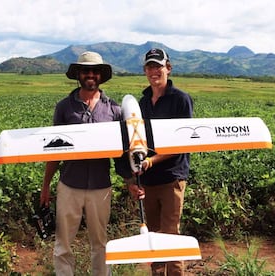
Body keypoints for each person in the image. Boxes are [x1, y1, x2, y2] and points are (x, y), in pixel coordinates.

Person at [40, 51, 130, 276]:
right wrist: (46, 185)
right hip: (69, 185)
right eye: (86, 71)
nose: (91, 75)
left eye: (95, 71)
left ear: (101, 76)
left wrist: (131, 182)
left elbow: (121, 155)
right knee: (63, 244)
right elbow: (54, 150)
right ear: (78, 75)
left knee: (100, 243)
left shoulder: (114, 110)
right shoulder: (64, 107)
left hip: (101, 187)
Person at [127, 48, 194, 276]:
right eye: (150, 67)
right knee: (153, 235)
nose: (154, 71)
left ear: (168, 68)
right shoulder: (143, 102)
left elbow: (183, 142)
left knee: (170, 235)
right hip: (148, 180)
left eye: (158, 66)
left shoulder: (180, 100)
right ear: (145, 71)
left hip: (171, 178)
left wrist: (151, 161)